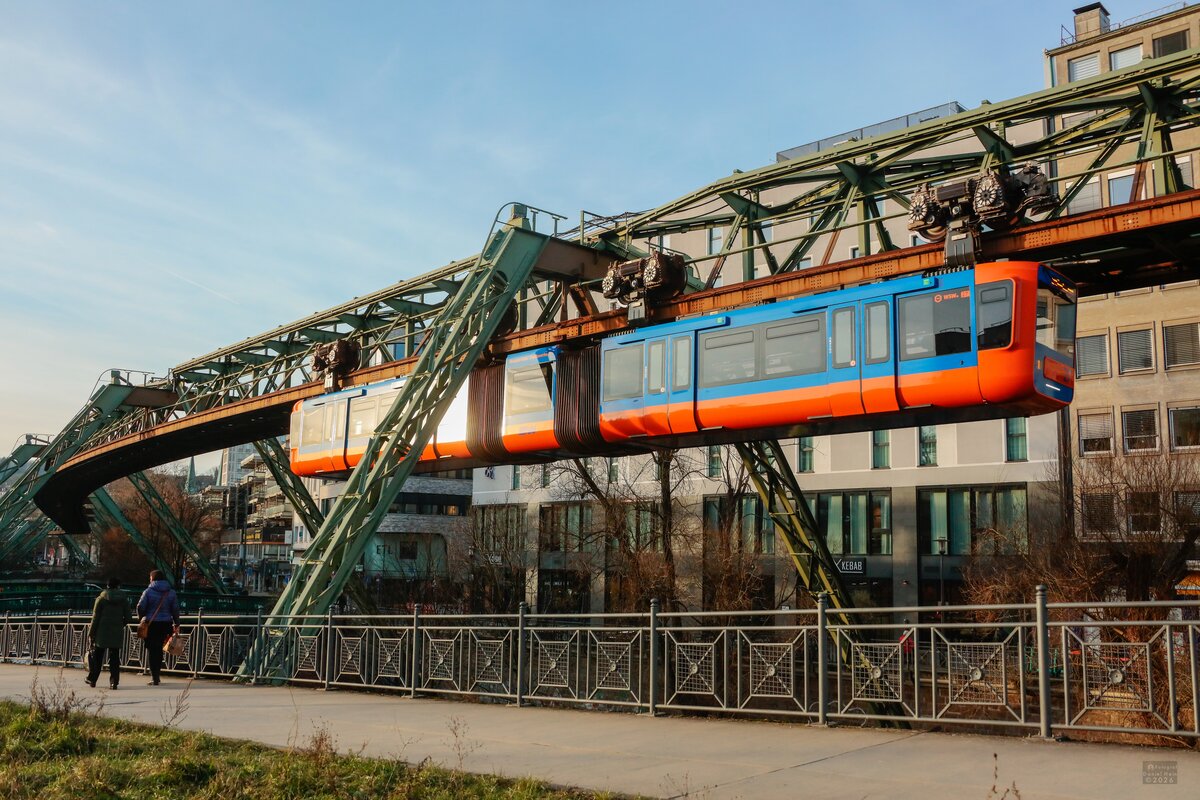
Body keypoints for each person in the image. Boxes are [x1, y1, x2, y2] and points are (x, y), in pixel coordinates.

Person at [85, 577, 130, 689]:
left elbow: (95, 618)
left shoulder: (101, 599)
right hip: (116, 631)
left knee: (98, 657)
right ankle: (114, 682)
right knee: (114, 657)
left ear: (107, 586)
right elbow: (129, 617)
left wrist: (91, 633)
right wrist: (120, 624)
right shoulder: (124, 600)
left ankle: (92, 679)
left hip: (101, 631)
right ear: (118, 586)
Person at [136, 569, 180, 685]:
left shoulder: (148, 591)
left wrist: (141, 618)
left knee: (152, 650)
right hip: (166, 624)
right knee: (160, 649)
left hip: (152, 624)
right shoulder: (171, 592)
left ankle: (154, 676)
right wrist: (177, 623)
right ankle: (157, 674)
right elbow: (175, 609)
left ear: (153, 579)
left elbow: (140, 606)